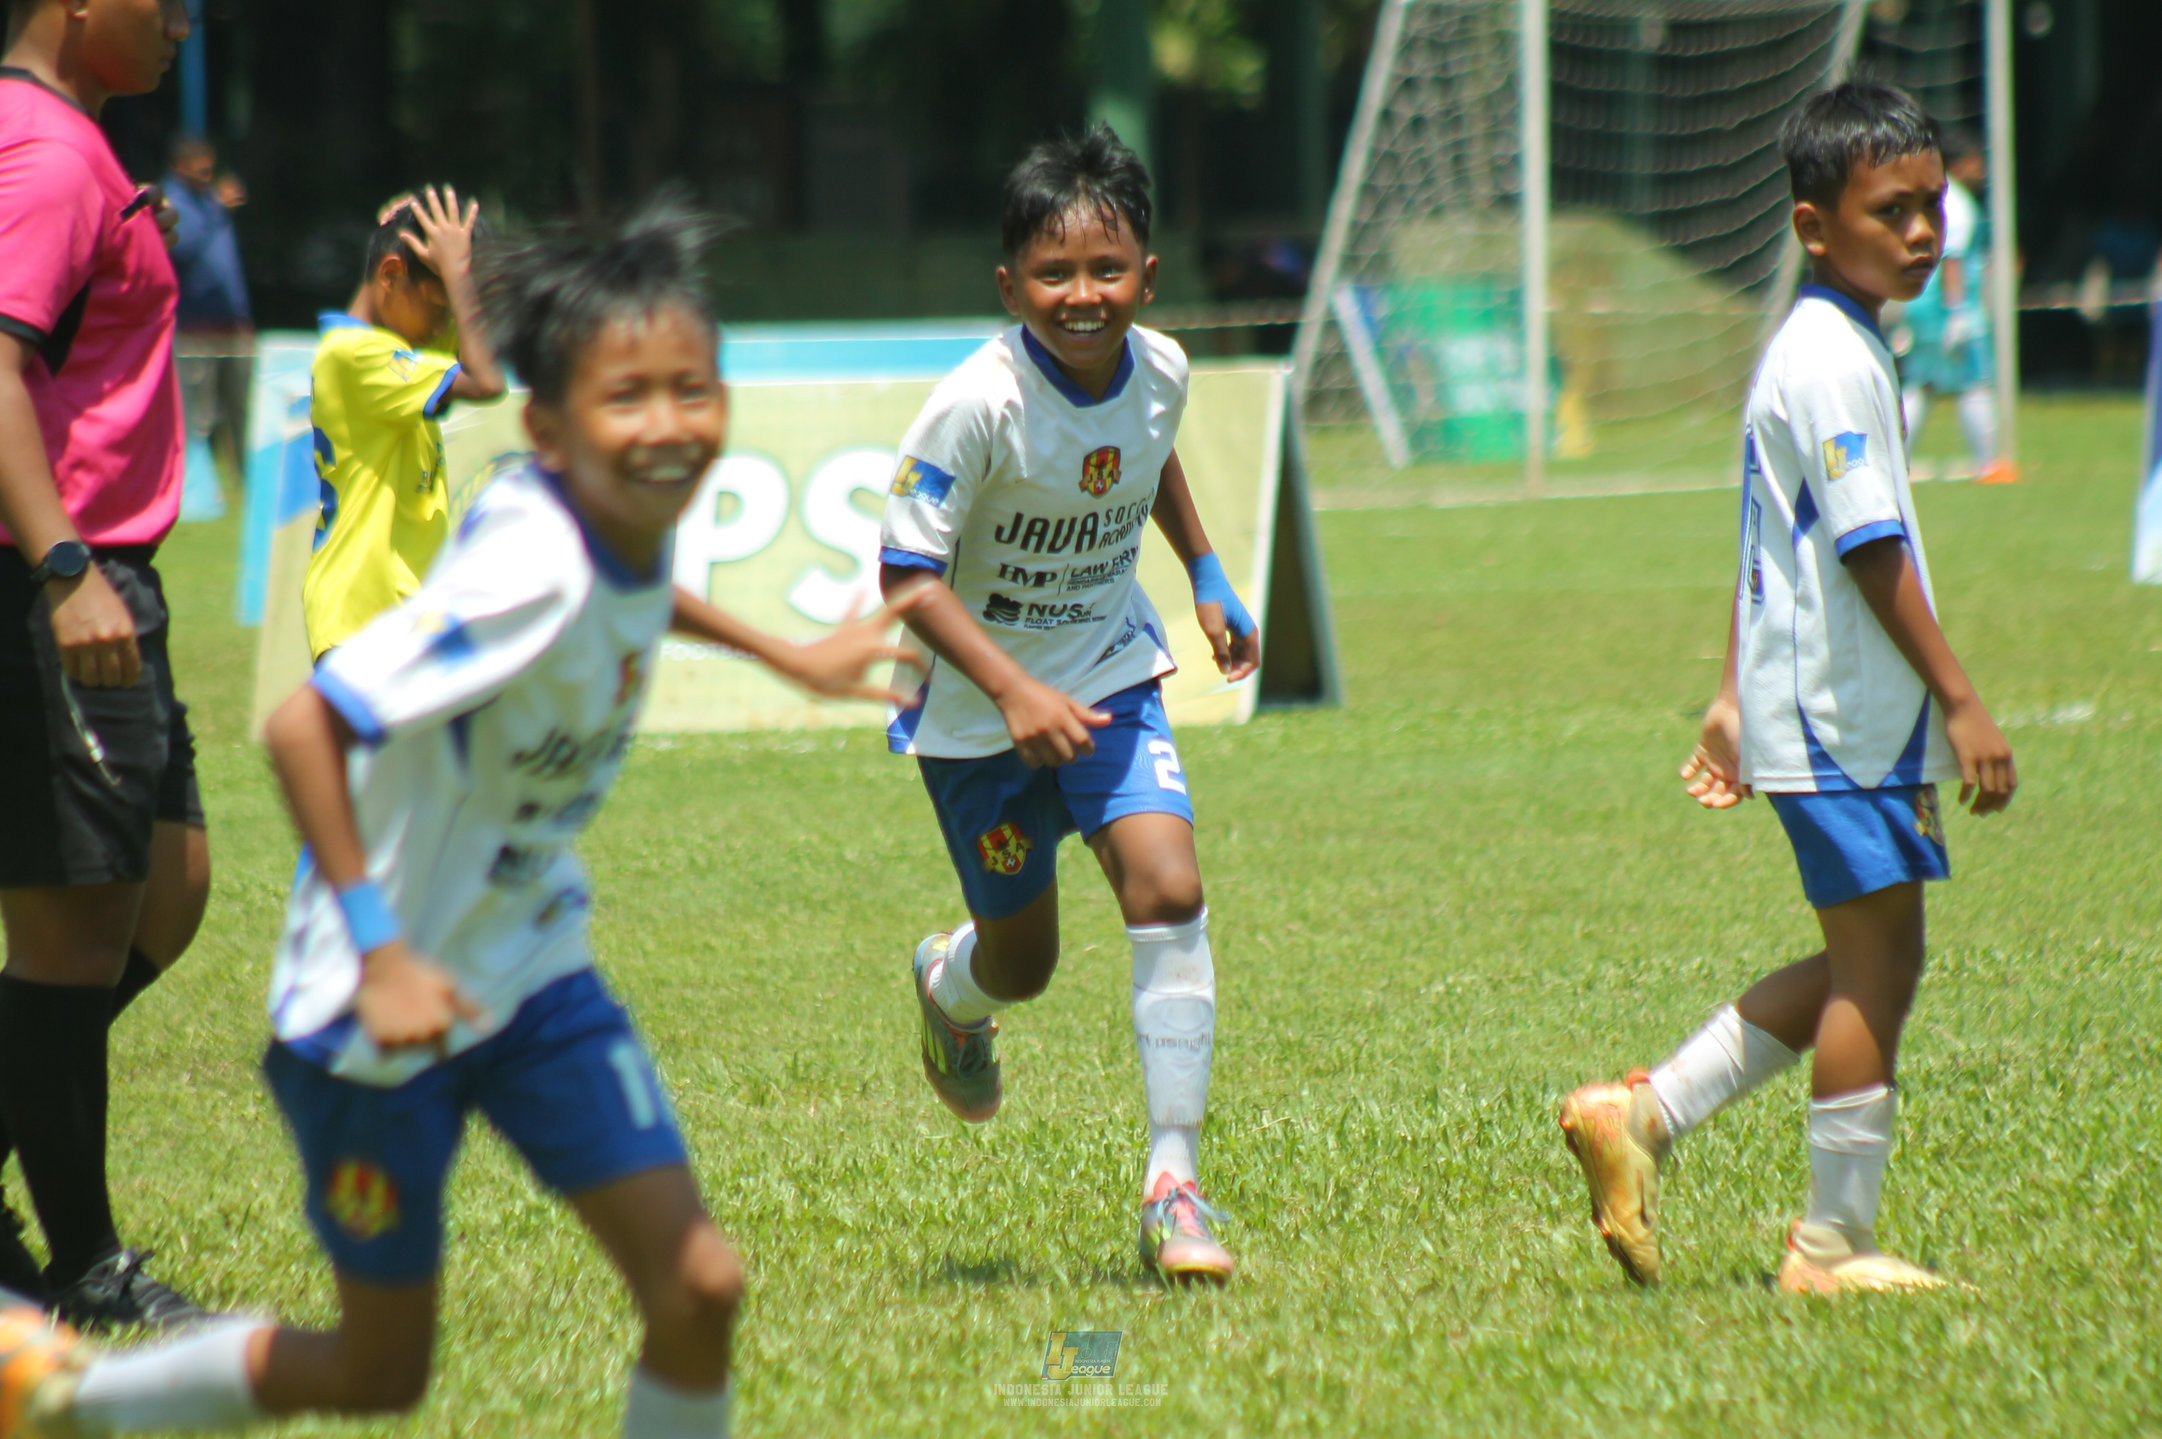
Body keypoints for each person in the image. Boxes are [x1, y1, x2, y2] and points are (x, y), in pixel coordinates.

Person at [0, 198, 928, 1436]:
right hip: (369, 1013)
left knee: (699, 1284)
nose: (668, 427)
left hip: (533, 977)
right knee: (384, 1369)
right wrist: (381, 948)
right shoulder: (525, 568)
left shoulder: (606, 512)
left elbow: (640, 579)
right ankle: (78, 1396)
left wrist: (788, 652)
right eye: (626, 397)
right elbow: (301, 728)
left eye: (692, 389)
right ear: (547, 427)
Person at [1558, 82, 2018, 1295]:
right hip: (1843, 716)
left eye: (1928, 206)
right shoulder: (1826, 359)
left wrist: (1727, 694)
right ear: (1815, 226)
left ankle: (1641, 1112)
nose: (1919, 231)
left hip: (1812, 706)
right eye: (1889, 211)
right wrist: (1959, 697)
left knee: (1877, 954)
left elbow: (1774, 543)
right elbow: (1865, 547)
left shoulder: (1839, 340)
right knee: (1876, 965)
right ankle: (1828, 1243)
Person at [879, 126, 1260, 1285]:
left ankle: (1173, 1182)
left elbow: (1146, 455)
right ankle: (950, 987)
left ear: (1147, 273)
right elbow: (905, 577)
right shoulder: (973, 407)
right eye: (1053, 275)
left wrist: (1201, 570)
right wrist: (1009, 689)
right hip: (974, 718)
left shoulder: (1164, 368)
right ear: (1010, 287)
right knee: (1023, 962)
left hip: (1106, 676)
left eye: (1107, 271)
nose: (1081, 296)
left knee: (1169, 884)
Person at [0, 0, 213, 1329]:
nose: (186, 22)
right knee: (73, 932)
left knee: (168, 889)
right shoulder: (47, 150)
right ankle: (85, 1266)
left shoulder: (71, 148)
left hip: (107, 578)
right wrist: (63, 566)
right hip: (63, 576)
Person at [303, 186, 506, 660]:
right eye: (440, 308)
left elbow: (469, 328)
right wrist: (454, 272)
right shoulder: (353, 355)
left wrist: (451, 264)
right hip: (362, 617)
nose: (444, 324)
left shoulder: (403, 345)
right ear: (391, 274)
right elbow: (486, 381)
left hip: (402, 617)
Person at [1894, 127, 2014, 485]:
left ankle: (1898, 462)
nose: (1982, 170)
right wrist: (1958, 312)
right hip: (1949, 310)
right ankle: (1989, 464)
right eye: (1977, 162)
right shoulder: (1957, 203)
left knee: (1921, 383)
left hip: (1921, 310)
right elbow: (1953, 260)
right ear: (1962, 164)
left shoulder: (1931, 201)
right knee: (1975, 381)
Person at [164, 133, 252, 518]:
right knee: (197, 415)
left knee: (243, 412)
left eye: (210, 165)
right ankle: (197, 494)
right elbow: (182, 246)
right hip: (194, 328)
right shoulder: (174, 202)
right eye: (199, 164)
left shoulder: (208, 203)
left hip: (232, 326)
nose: (207, 171)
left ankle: (249, 490)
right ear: (179, 165)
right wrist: (217, 207)